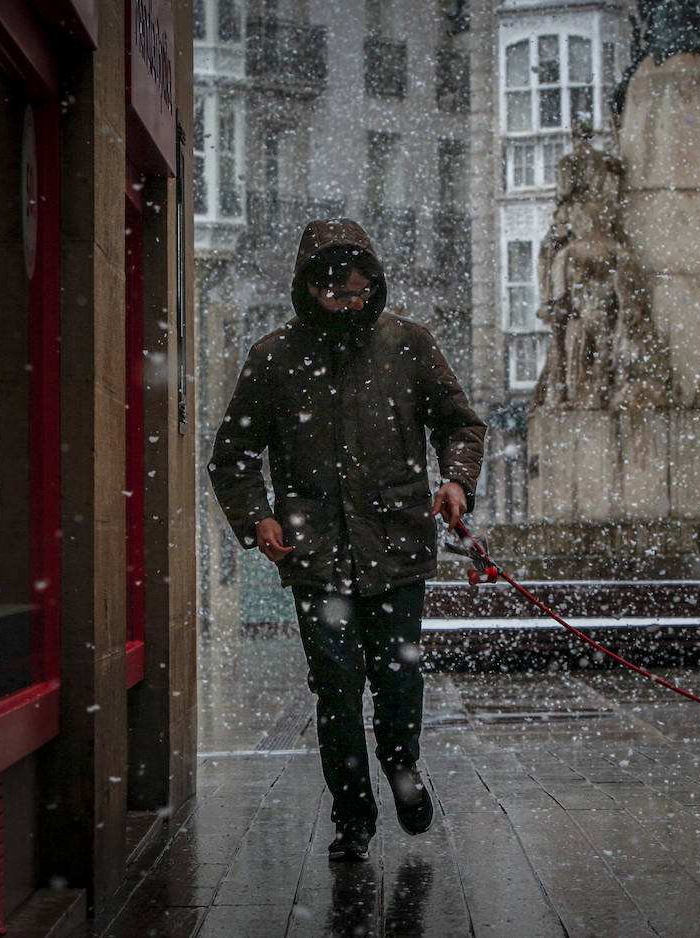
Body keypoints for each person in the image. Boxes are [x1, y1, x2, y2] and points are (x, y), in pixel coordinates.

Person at [208, 219, 486, 862]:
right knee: (334, 690)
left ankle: (403, 769)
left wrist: (457, 483)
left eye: (363, 293)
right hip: (315, 557)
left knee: (398, 682)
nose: (353, 304)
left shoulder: (409, 346)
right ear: (311, 289)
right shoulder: (273, 358)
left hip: (397, 549)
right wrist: (258, 518)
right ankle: (353, 816)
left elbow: (461, 426)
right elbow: (233, 456)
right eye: (340, 295)